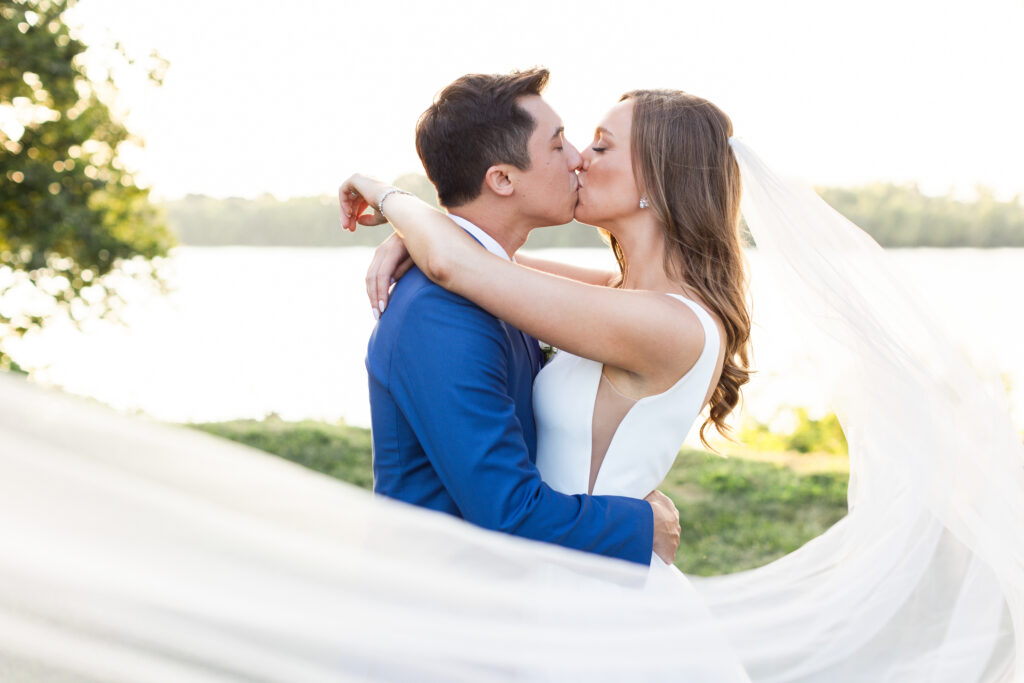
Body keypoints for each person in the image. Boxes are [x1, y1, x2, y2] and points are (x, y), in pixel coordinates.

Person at [341, 82, 1022, 680]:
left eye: (602, 146)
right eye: (578, 143)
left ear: (654, 183)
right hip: (563, 578)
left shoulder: (668, 324)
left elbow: (471, 269)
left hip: (595, 597)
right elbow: (486, 264)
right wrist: (419, 230)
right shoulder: (621, 296)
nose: (581, 156)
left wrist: (390, 198)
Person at [353, 69, 682, 567]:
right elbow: (507, 512)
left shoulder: (501, 286)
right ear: (502, 179)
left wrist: (418, 229)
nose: (576, 160)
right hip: (436, 614)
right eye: (557, 146)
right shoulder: (440, 313)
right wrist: (639, 524)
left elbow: (625, 295)